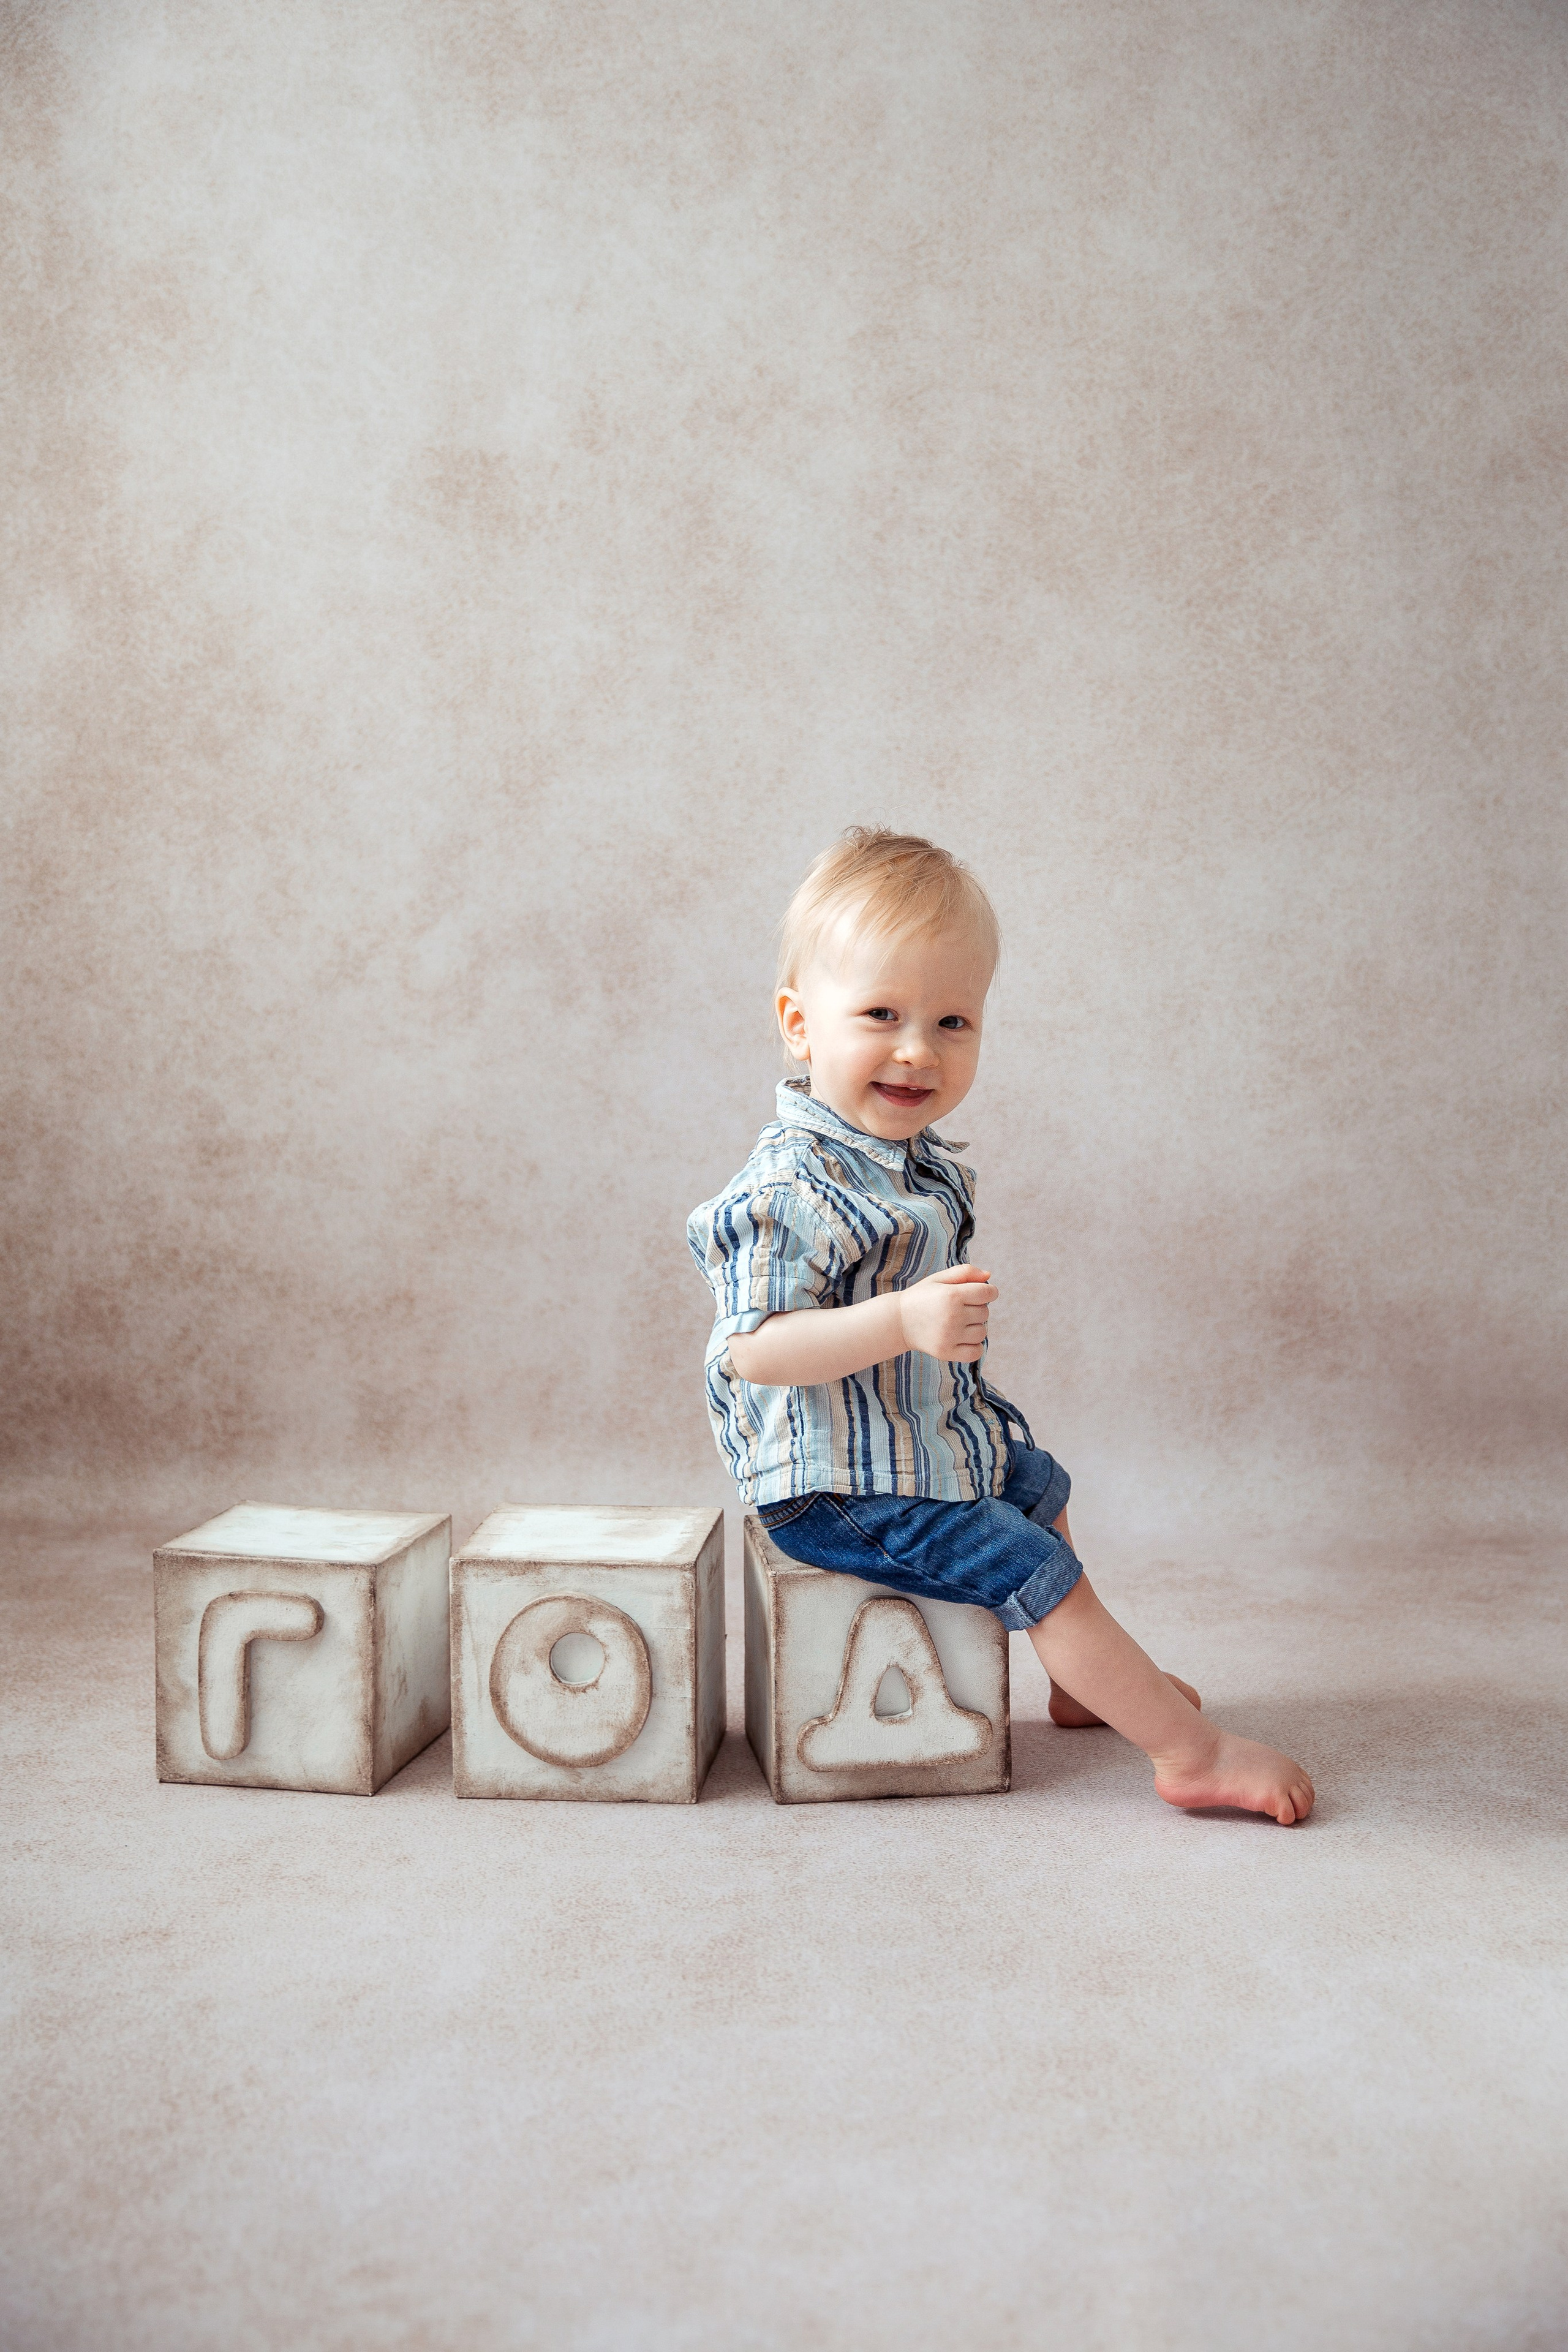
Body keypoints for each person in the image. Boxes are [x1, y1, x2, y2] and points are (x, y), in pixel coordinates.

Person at [687, 826, 1314, 1824]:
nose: (916, 1050)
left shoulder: (912, 1162)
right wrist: (903, 1318)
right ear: (800, 1025)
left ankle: (1082, 1685)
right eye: (881, 1014)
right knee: (1037, 1570)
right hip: (834, 1488)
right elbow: (754, 1348)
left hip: (913, 1449)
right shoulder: (786, 1191)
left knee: (1040, 1487)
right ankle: (1189, 1754)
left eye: (952, 1021)